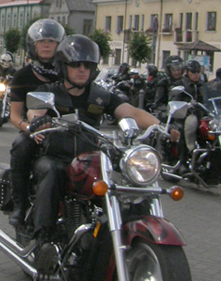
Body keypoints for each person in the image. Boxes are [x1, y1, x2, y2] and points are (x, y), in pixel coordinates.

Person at [22, 35, 159, 248]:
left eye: (87, 65)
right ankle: (42, 238)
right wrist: (37, 120)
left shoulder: (100, 95)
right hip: (55, 156)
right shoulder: (50, 91)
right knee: (52, 172)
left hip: (89, 158)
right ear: (63, 66)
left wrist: (160, 127)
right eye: (76, 64)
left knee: (125, 179)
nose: (82, 70)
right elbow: (34, 110)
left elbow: (131, 113)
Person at [8, 19, 66, 226]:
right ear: (33, 46)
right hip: (34, 130)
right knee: (21, 145)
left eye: (51, 41)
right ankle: (19, 204)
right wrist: (29, 128)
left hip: (65, 129)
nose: (46, 45)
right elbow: (15, 115)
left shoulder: (67, 73)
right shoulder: (22, 76)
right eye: (41, 41)